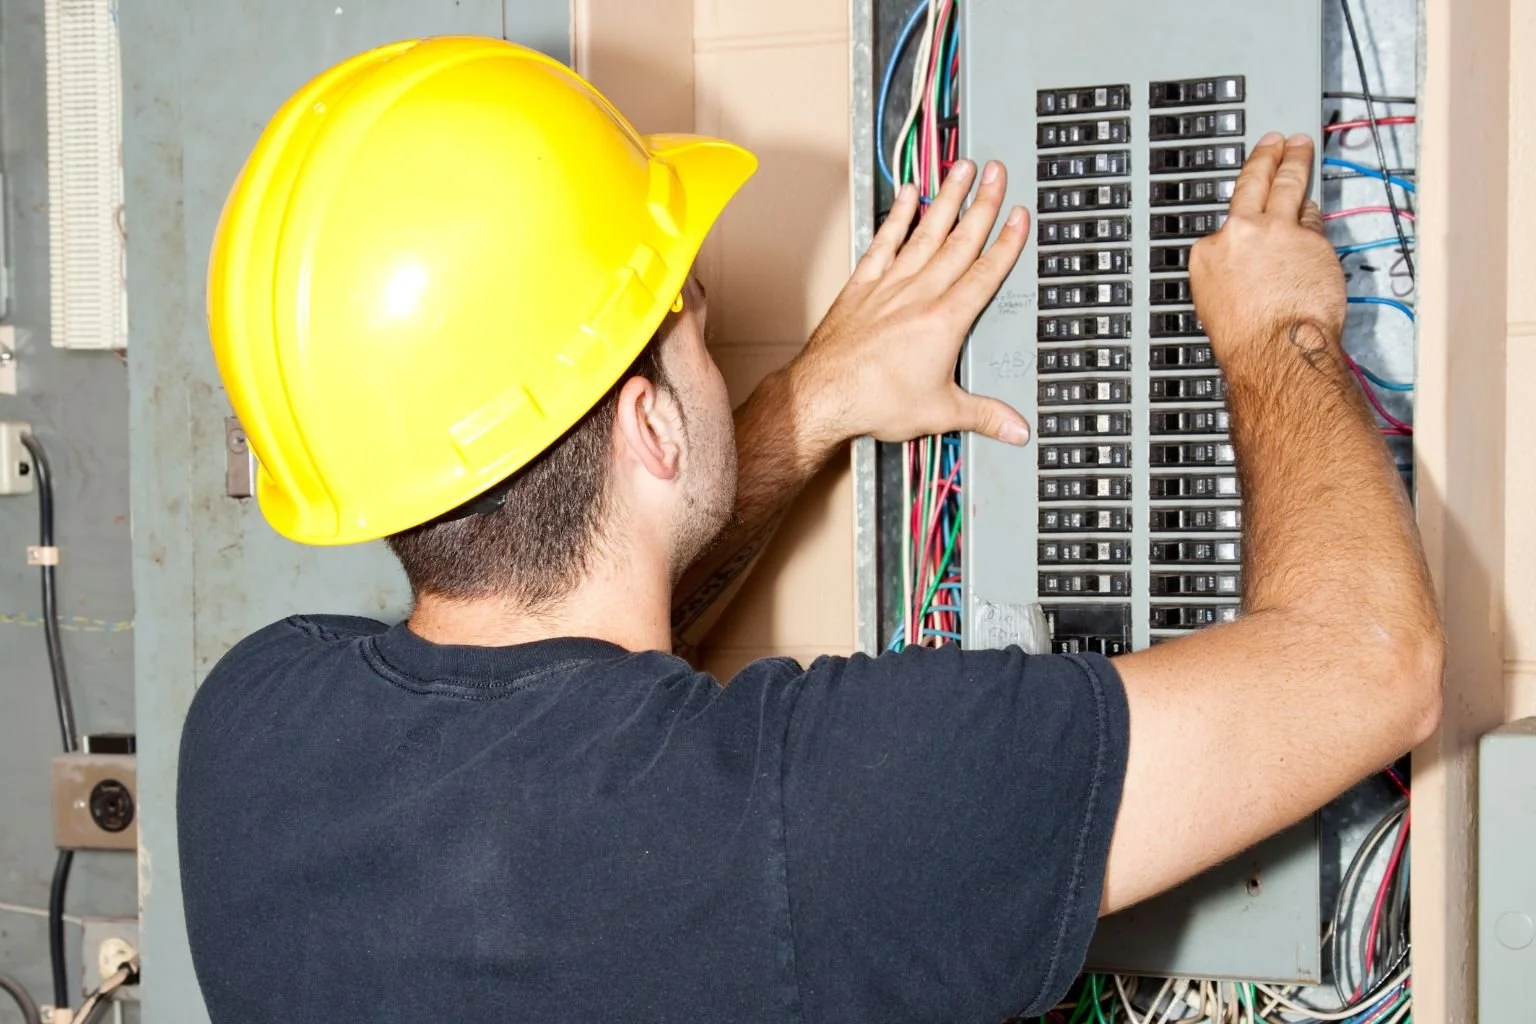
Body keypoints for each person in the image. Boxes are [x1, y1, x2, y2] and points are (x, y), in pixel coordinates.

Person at [177, 36, 1443, 1024]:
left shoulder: (253, 735)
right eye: (697, 319)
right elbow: (1371, 662)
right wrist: (1277, 330)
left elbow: (556, 697)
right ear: (653, 430)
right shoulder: (811, 820)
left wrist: (812, 402)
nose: (713, 340)